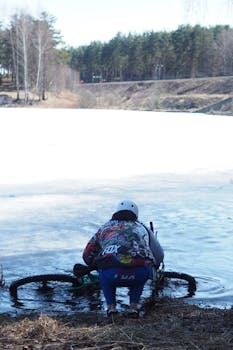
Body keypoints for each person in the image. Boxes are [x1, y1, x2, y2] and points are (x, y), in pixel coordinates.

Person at [82, 199, 164, 317]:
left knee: (103, 268)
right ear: (136, 215)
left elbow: (86, 255)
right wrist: (155, 265)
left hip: (112, 274)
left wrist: (94, 264)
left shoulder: (104, 228)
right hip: (139, 274)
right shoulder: (142, 228)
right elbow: (159, 255)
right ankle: (133, 308)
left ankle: (111, 308)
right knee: (142, 263)